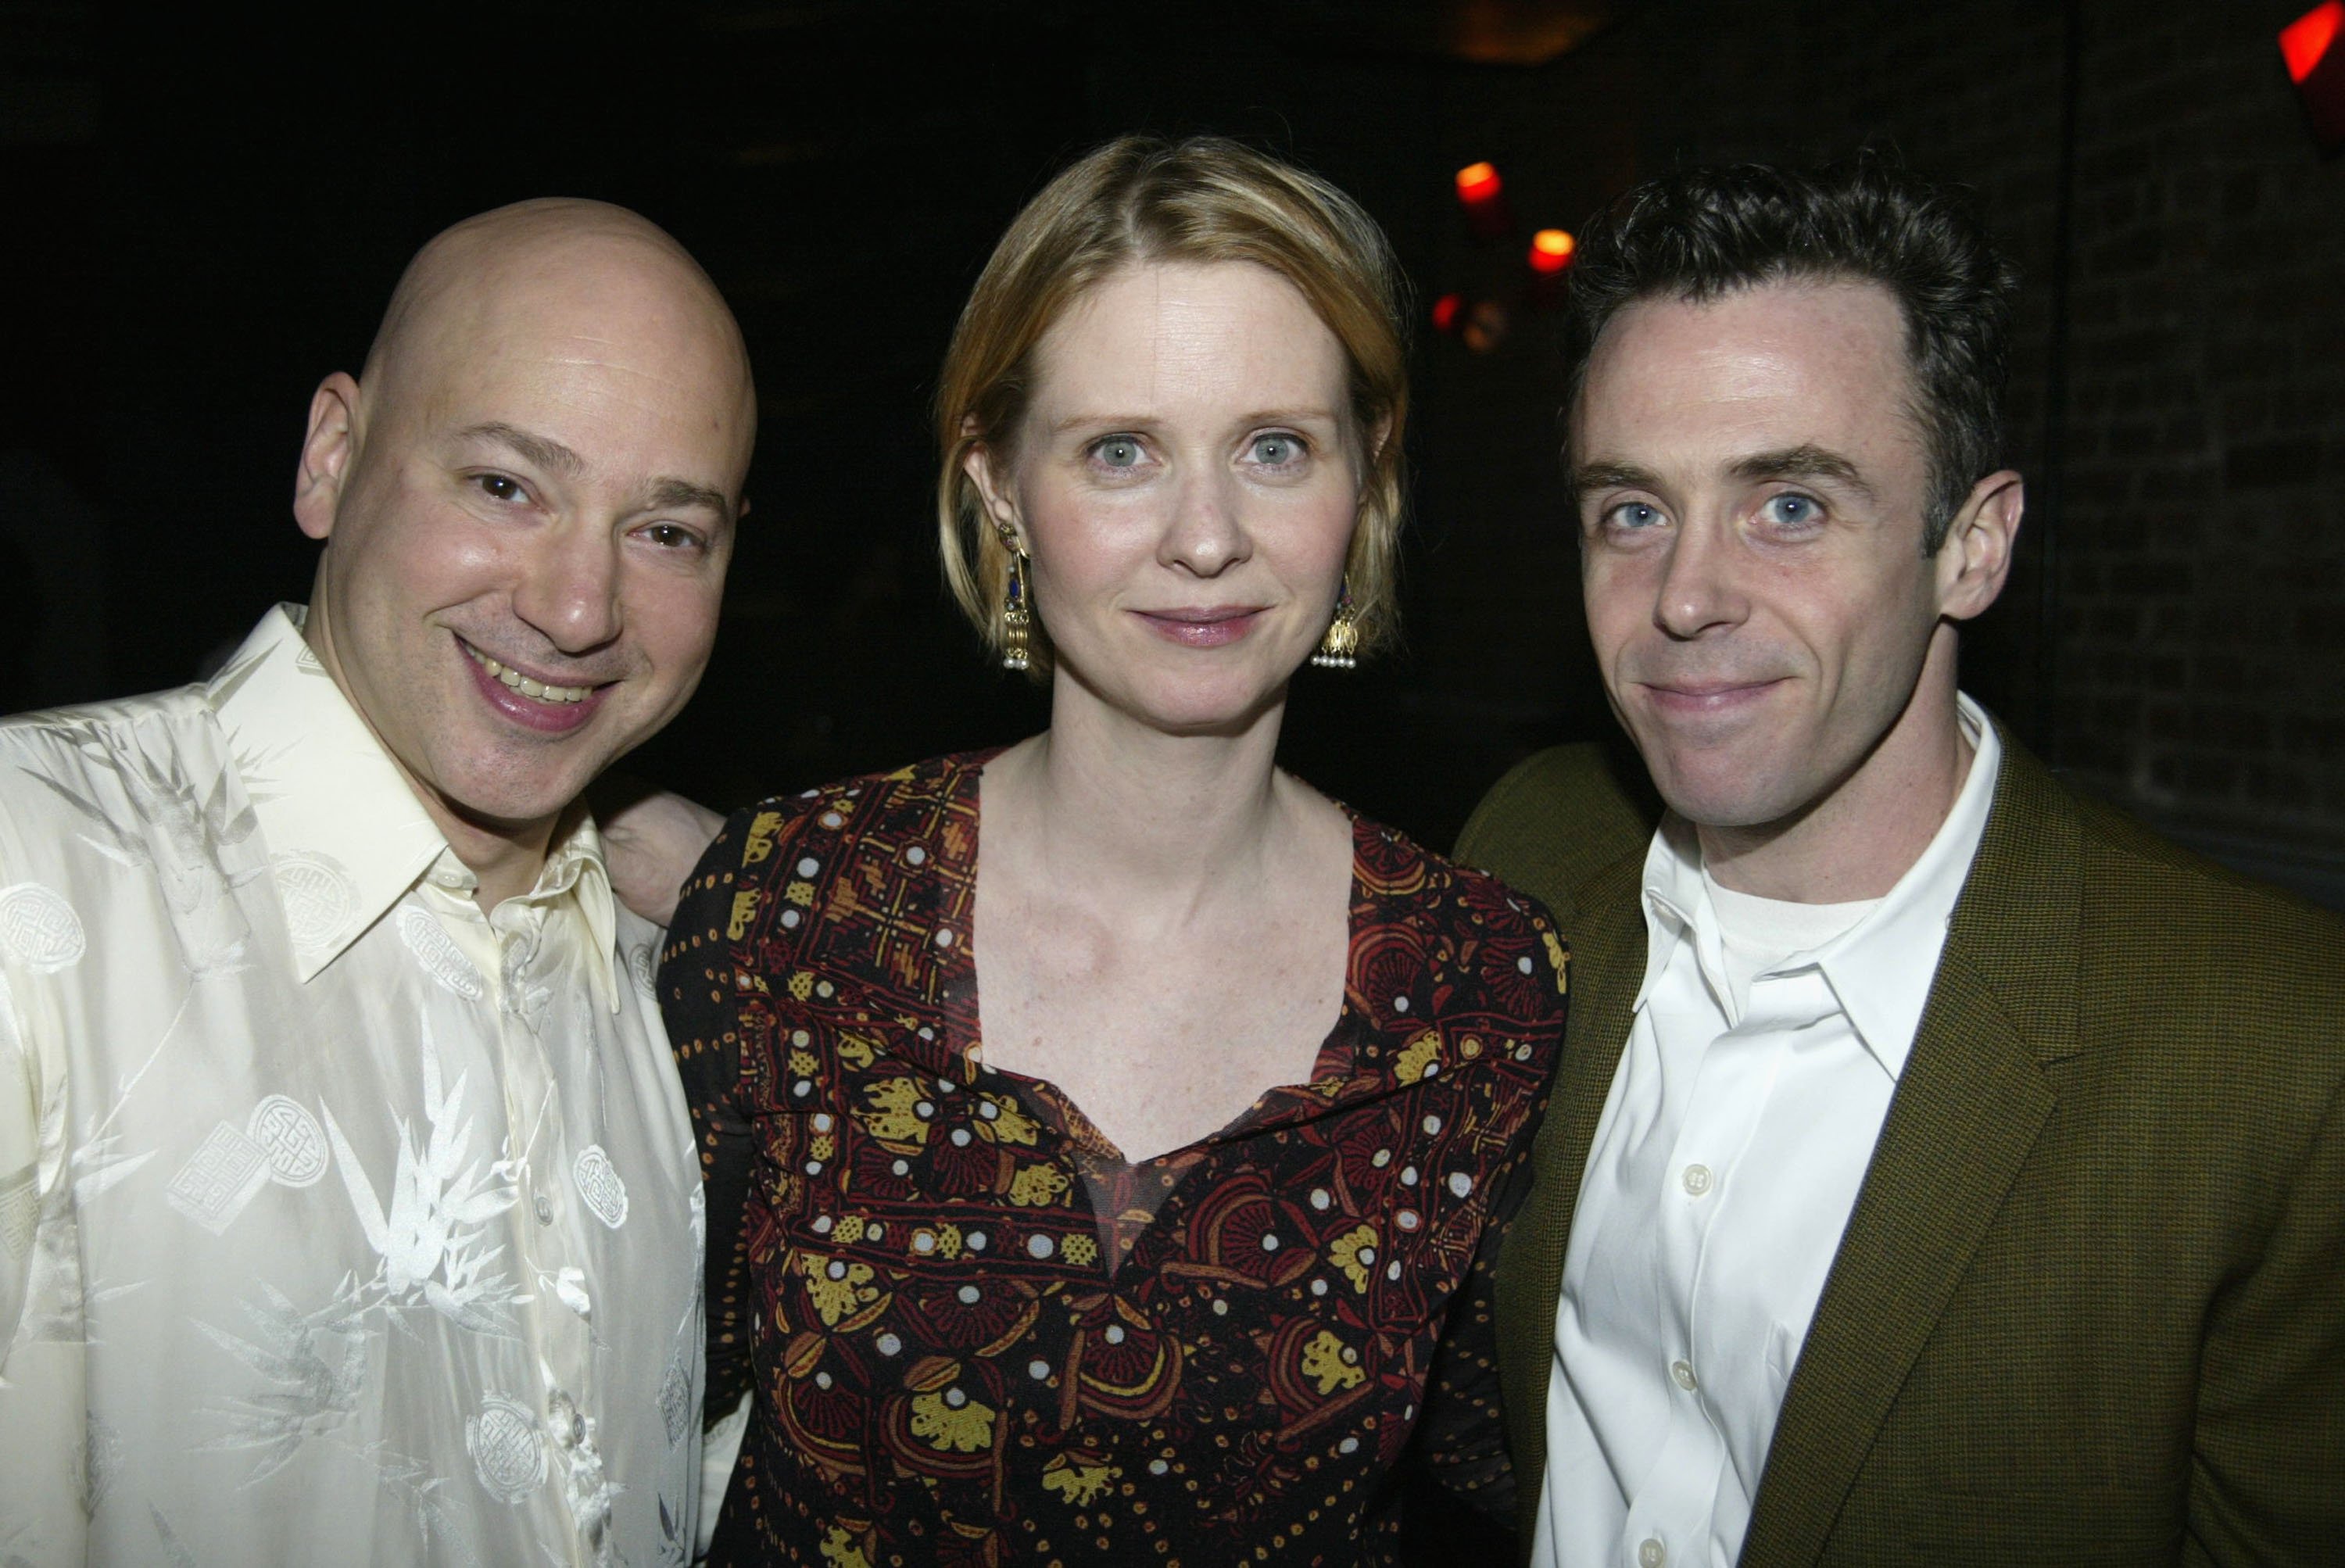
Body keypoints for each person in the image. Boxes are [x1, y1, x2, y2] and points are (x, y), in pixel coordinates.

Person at [655, 135, 1565, 1566]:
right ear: (1000, 481)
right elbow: (607, 1410)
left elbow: (1547, 1467)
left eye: (1275, 448)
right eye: (1120, 451)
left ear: (1364, 478)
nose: (1205, 538)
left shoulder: (1484, 988)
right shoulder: (792, 908)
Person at [1456, 159, 2345, 1566]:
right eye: (1633, 509)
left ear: (1973, 547)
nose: (1684, 594)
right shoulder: (1526, 854)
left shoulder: (2276, 1059)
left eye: (1790, 505)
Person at [0, 199, 757, 1564]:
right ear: (332, 458)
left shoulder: (680, 978)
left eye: (667, 532)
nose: (580, 609)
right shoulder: (32, 873)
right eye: (505, 486)